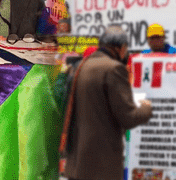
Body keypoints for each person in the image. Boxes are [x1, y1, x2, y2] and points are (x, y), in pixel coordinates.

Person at [61, 26, 152, 180]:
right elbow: (128, 117)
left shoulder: (81, 66)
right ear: (121, 48)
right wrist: (146, 107)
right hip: (101, 165)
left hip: (77, 162)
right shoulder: (114, 68)